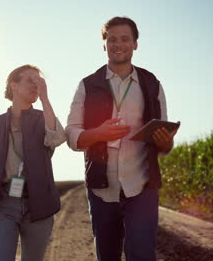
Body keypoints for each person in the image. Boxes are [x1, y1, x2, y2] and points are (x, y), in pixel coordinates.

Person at [65, 17, 178, 261]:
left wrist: (164, 141)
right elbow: (72, 136)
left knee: (142, 255)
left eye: (125, 39)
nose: (118, 44)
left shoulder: (152, 84)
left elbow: (166, 145)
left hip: (142, 185)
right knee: (107, 255)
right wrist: (98, 134)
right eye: (112, 39)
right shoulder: (87, 85)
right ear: (103, 45)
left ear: (135, 44)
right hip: (102, 187)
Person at [0, 65, 66, 261]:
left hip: (38, 204)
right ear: (13, 85)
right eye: (30, 80)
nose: (36, 85)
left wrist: (45, 98)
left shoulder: (43, 119)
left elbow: (57, 138)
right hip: (2, 205)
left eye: (39, 81)